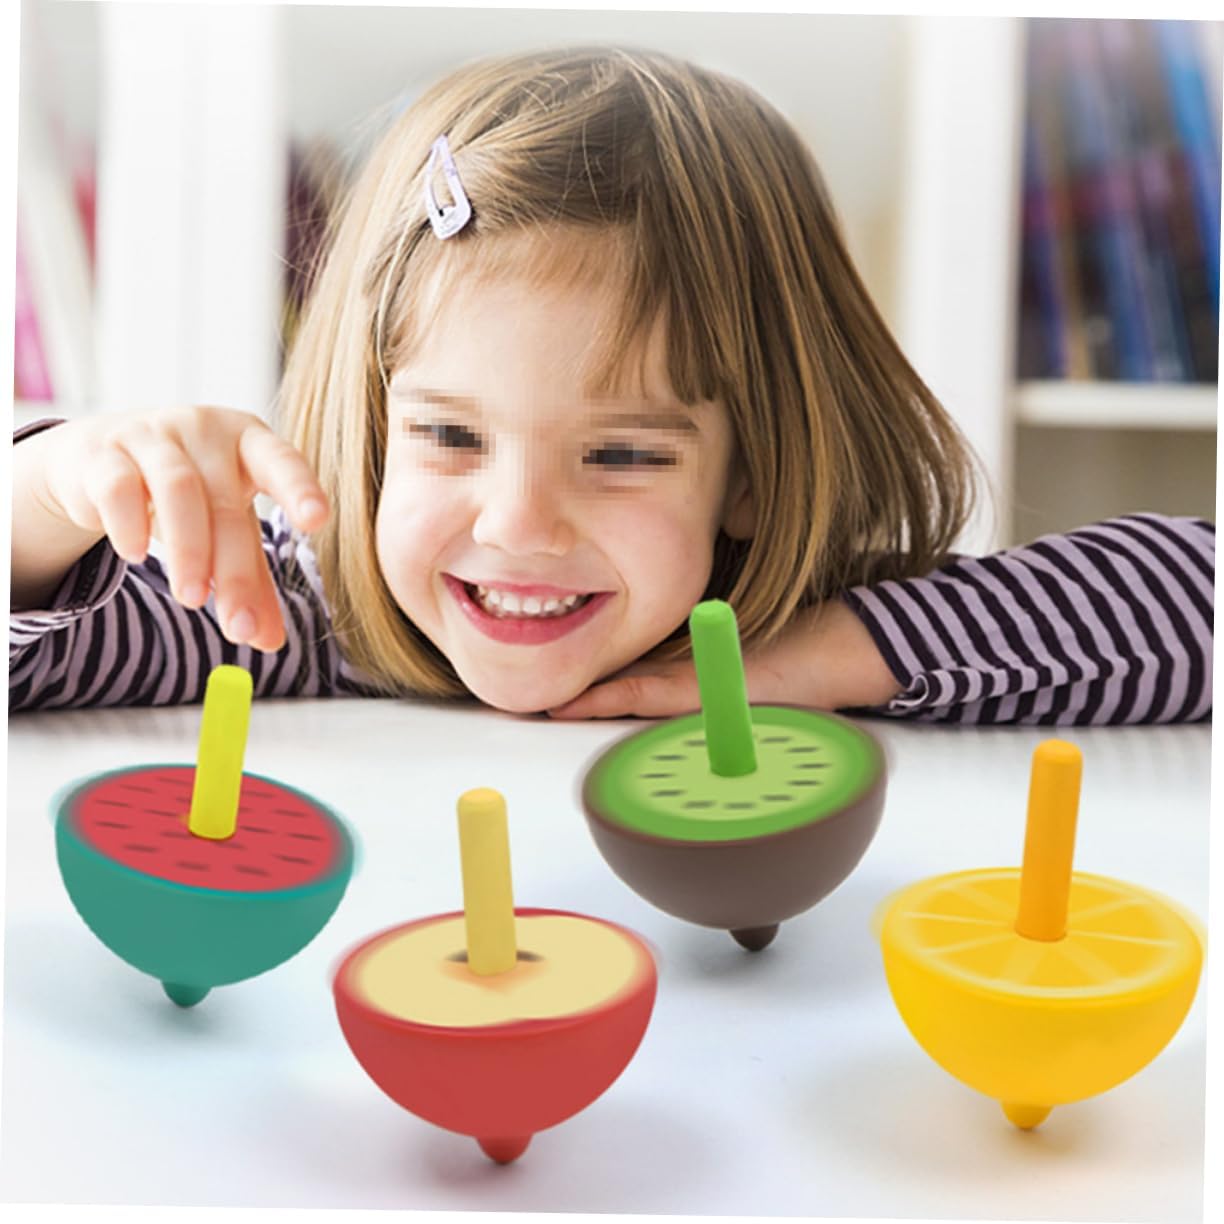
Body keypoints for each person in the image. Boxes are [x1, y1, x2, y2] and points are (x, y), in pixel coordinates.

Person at [9, 47, 1213, 725]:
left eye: (623, 454)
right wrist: (46, 494)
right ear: (372, 430)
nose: (519, 526)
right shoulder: (286, 614)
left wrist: (806, 663)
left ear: (754, 471)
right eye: (448, 437)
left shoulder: (802, 623)